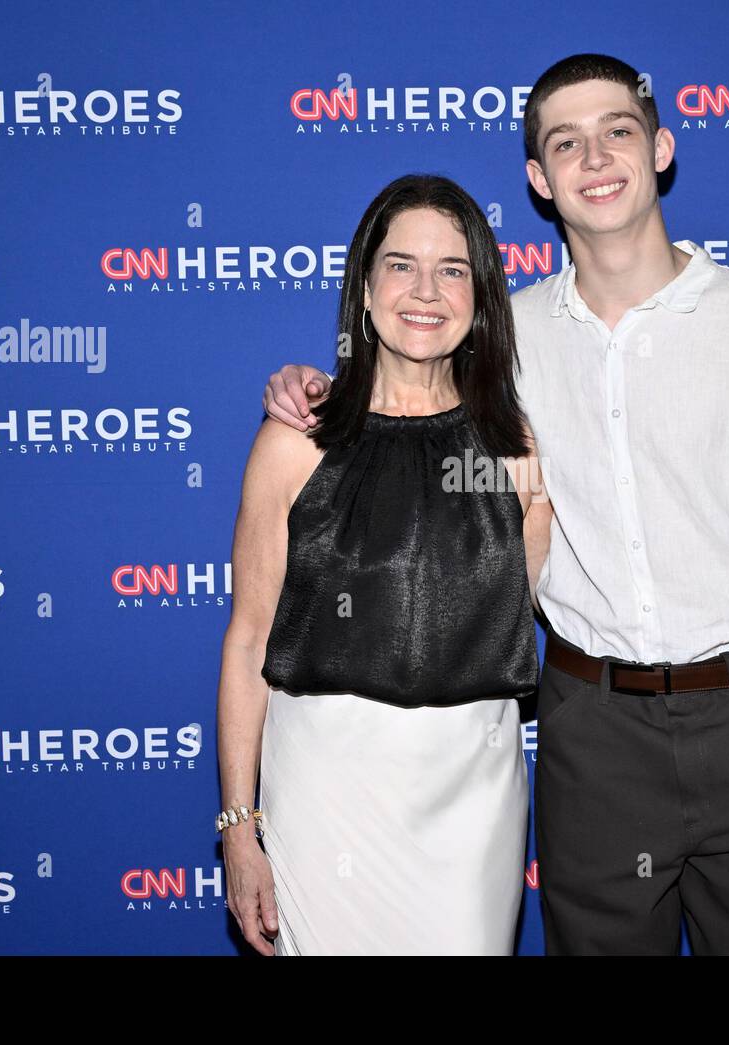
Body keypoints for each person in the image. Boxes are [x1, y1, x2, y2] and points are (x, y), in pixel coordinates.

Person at [265, 54, 729, 957]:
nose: (597, 156)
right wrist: (318, 381)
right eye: (566, 141)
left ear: (659, 148)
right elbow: (398, 392)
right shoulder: (505, 346)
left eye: (618, 130)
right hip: (592, 726)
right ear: (540, 180)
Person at [216, 174, 549, 956]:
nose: (425, 290)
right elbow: (247, 641)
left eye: (453, 269)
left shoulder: (518, 449)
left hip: (473, 790)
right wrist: (239, 825)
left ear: (481, 296)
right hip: (324, 788)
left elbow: (568, 588)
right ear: (364, 290)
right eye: (401, 265)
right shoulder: (295, 442)